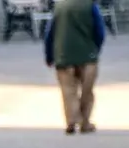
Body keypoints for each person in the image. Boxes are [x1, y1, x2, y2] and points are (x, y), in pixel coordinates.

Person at [44, 0, 106, 135]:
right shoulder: (91, 6)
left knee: (68, 91)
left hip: (63, 55)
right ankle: (85, 122)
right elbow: (99, 31)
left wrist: (49, 56)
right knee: (87, 91)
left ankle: (71, 121)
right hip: (87, 55)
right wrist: (95, 49)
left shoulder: (59, 6)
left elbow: (49, 33)